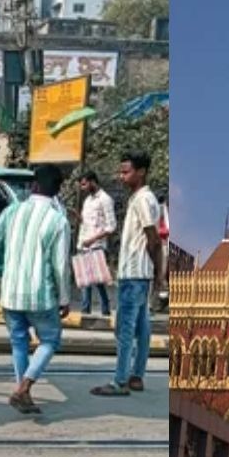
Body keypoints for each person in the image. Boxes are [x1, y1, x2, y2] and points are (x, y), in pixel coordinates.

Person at [0, 164, 71, 414]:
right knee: (50, 340)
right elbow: (61, 266)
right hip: (40, 296)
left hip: (10, 294)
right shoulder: (58, 221)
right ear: (56, 191)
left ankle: (23, 389)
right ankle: (24, 388)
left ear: (34, 185)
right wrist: (64, 298)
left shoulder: (12, 211)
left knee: (18, 342)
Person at [92, 152, 163, 397]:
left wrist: (157, 272)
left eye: (126, 171)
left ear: (141, 172)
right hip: (139, 273)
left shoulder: (143, 199)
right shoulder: (144, 198)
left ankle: (120, 381)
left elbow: (153, 238)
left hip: (134, 272)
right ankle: (136, 376)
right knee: (142, 328)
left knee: (125, 327)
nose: (121, 177)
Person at [76, 170, 115, 316]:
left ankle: (104, 308)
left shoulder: (105, 199)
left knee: (98, 280)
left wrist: (92, 240)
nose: (83, 187)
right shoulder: (88, 200)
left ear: (92, 181)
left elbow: (111, 226)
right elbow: (87, 222)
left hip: (96, 245)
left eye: (85, 184)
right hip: (84, 243)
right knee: (85, 281)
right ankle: (86, 310)